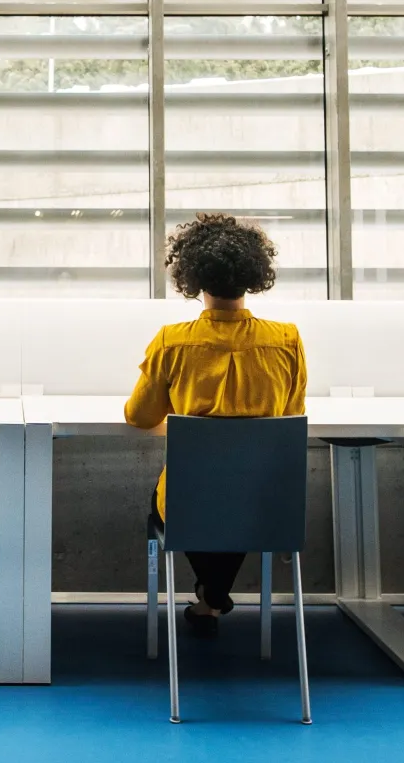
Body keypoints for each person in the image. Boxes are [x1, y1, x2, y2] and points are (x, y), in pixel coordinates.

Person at [124, 212, 307, 639]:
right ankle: (211, 596)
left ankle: (212, 595)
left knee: (188, 499)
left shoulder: (172, 340)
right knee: (238, 497)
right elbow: (291, 414)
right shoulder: (287, 339)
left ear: (193, 278)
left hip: (192, 504)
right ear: (254, 275)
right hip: (265, 505)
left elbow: (140, 417)